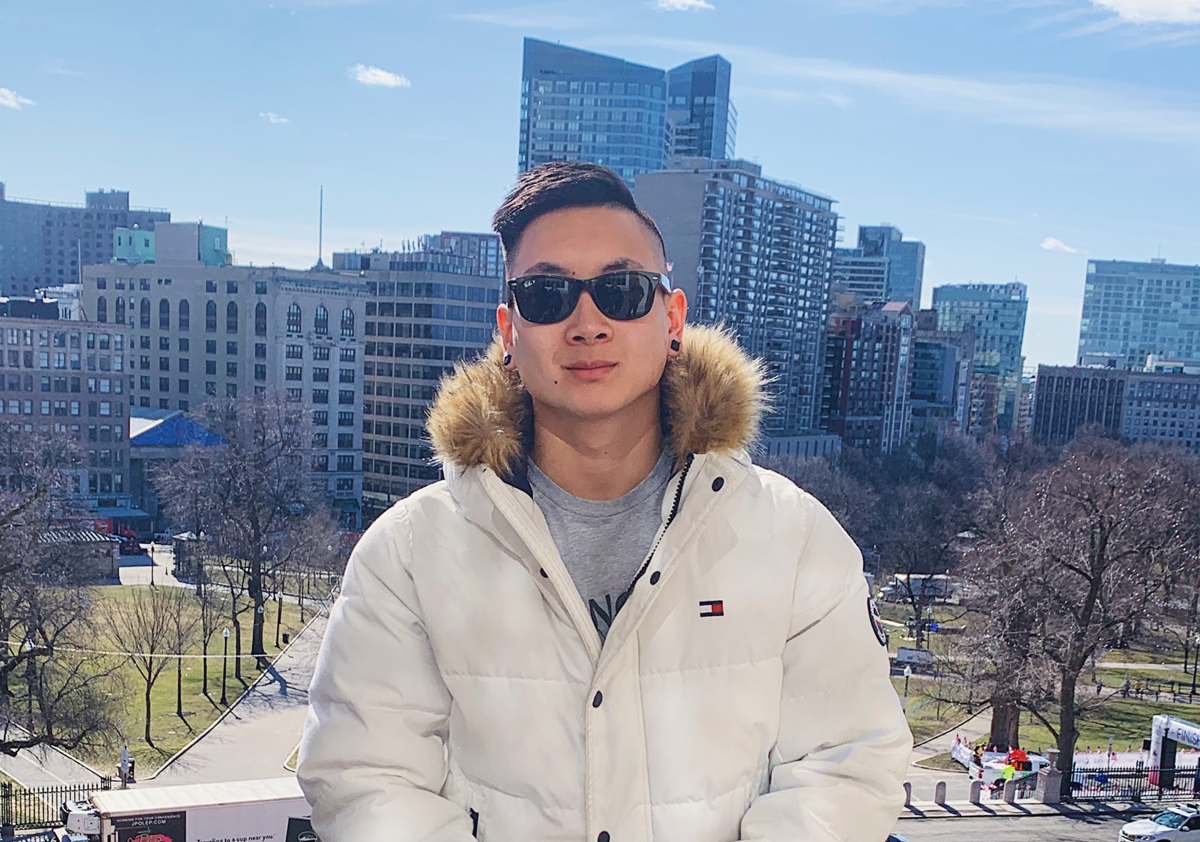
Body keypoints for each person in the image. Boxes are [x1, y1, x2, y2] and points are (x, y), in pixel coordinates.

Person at [297, 162, 913, 842]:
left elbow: (846, 765)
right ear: (509, 332)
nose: (587, 323)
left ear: (672, 319)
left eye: (622, 291)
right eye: (547, 295)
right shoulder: (408, 554)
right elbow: (366, 780)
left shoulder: (793, 537)